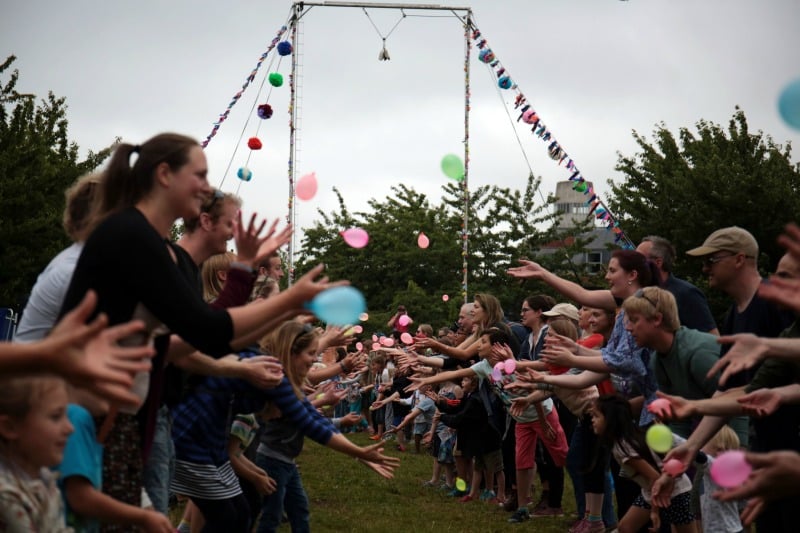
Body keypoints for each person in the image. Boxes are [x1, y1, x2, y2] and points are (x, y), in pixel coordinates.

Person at [57, 133, 340, 515]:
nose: (208, 188)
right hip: (93, 414)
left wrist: (264, 289)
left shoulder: (146, 239)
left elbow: (197, 336)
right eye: (200, 175)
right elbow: (204, 329)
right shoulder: (132, 236)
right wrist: (287, 301)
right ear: (164, 174)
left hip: (122, 413)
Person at [254, 321, 399, 533]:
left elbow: (315, 418)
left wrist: (357, 454)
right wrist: (358, 451)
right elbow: (313, 427)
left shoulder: (288, 381)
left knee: (299, 511)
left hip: (285, 461)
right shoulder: (280, 383)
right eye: (311, 353)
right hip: (272, 461)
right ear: (291, 353)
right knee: (268, 518)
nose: (315, 360)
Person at [620, 287, 747, 442]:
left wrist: (740, 453)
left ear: (657, 319)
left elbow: (739, 404)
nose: (628, 327)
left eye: (634, 320)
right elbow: (679, 420)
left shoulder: (698, 355)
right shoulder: (658, 361)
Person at [590, 395, 696, 533]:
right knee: (625, 528)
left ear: (610, 420)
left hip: (676, 494)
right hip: (651, 492)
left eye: (596, 416)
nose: (592, 420)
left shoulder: (624, 448)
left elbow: (655, 478)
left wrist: (654, 512)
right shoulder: (624, 441)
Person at [0, 375, 74, 531]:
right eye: (56, 417)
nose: (69, 428)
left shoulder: (44, 477)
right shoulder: (6, 496)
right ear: (10, 427)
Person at [637, 236, 718, 334]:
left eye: (638, 259)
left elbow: (712, 338)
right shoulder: (640, 293)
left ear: (658, 262)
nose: (632, 263)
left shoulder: (687, 293)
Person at [692, 425, 743, 533]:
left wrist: (670, 437)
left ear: (719, 450)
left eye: (703, 444)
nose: (700, 447)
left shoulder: (717, 468)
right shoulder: (706, 472)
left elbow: (694, 453)